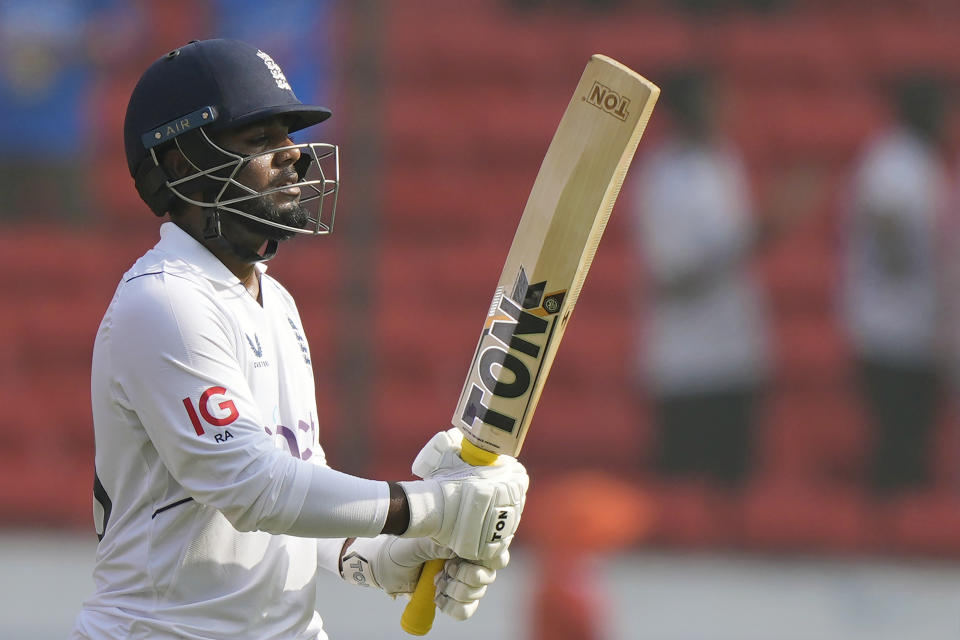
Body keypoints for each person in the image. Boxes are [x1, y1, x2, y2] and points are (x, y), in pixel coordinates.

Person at [70, 38, 528, 639]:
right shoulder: (165, 302)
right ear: (182, 166)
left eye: (288, 136)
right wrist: (431, 509)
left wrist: (376, 556)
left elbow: (298, 480)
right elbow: (254, 487)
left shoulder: (274, 302)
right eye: (261, 139)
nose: (294, 156)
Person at [630, 67, 808, 489]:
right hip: (684, 365)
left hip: (736, 354)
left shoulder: (724, 160)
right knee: (684, 494)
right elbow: (673, 277)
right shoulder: (661, 178)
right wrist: (759, 233)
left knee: (737, 489)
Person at [840, 73, 950, 497]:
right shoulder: (893, 158)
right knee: (897, 438)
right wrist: (907, 256)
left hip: (917, 327)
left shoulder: (923, 160)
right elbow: (884, 216)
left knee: (914, 438)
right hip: (890, 327)